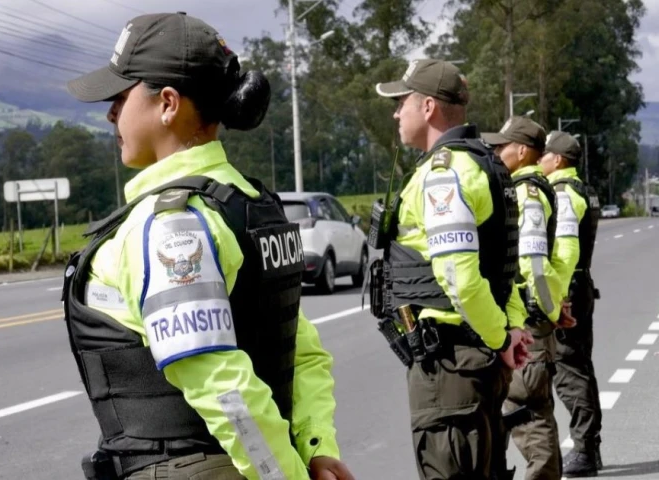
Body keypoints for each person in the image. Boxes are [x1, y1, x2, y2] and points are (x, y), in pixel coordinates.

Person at [60, 12, 353, 480]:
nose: (110, 114)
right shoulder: (251, 206)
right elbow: (302, 352)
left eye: (119, 97)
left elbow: (223, 387)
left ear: (168, 104)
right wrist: (316, 446)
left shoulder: (173, 225)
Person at [371, 58, 534, 480]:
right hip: (475, 361)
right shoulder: (484, 165)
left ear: (427, 107)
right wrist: (510, 330)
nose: (395, 112)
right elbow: (502, 266)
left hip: (450, 367)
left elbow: (460, 278)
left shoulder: (445, 176)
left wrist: (501, 337)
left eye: (401, 101)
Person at [482, 116, 577, 480]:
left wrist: (550, 309)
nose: (496, 151)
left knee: (529, 417)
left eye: (503, 145)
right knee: (517, 416)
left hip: (529, 324)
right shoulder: (520, 187)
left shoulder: (528, 194)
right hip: (528, 319)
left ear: (522, 151)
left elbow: (535, 264)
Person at [539, 131, 602, 477]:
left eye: (545, 155)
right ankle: (588, 446)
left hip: (569, 286)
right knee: (580, 366)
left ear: (558, 159)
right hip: (581, 283)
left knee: (569, 370)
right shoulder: (583, 190)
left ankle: (584, 449)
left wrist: (558, 296)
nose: (541, 160)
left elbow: (564, 252)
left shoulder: (563, 194)